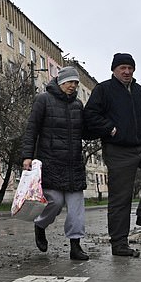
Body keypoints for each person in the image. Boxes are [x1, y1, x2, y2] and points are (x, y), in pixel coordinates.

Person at [84, 53, 141, 257]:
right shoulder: (103, 89)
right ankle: (119, 244)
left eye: (130, 68)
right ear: (114, 70)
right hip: (118, 150)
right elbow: (90, 115)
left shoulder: (139, 90)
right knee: (120, 198)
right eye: (122, 68)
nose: (126, 71)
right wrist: (110, 129)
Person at [21, 66, 90, 261]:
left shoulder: (78, 105)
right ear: (60, 82)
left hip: (74, 163)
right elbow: (31, 129)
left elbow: (85, 131)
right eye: (70, 82)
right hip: (51, 162)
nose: (73, 86)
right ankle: (40, 225)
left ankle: (75, 246)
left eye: (76, 83)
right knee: (55, 202)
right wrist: (27, 156)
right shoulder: (43, 100)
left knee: (76, 208)